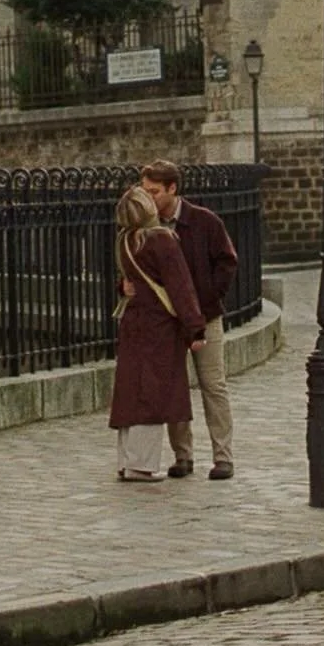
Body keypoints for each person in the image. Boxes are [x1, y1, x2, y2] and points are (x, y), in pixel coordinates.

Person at [141, 159, 239, 481]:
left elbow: (227, 261)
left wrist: (206, 299)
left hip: (205, 318)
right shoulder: (147, 228)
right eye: (145, 191)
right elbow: (134, 268)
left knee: (213, 385)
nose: (148, 197)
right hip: (168, 321)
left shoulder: (204, 221)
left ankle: (223, 456)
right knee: (174, 387)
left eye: (154, 191)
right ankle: (182, 455)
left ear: (172, 189)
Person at [109, 185, 206, 482]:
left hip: (133, 324)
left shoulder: (125, 241)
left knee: (131, 391)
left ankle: (126, 460)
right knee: (153, 395)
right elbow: (180, 287)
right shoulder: (162, 240)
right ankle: (141, 464)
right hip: (159, 327)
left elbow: (128, 281)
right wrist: (195, 329)